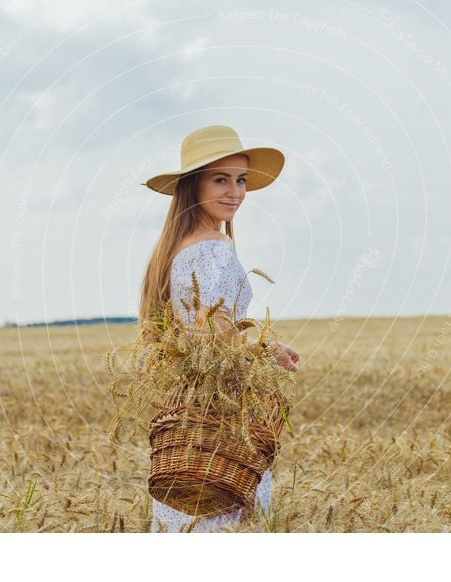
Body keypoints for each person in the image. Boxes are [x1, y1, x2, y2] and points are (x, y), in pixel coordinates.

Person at [138, 125, 300, 532]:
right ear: (193, 186)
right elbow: (217, 334)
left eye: (241, 180)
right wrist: (267, 351)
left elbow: (199, 329)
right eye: (220, 179)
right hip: (223, 409)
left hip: (191, 406)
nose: (235, 192)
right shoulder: (213, 245)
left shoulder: (176, 246)